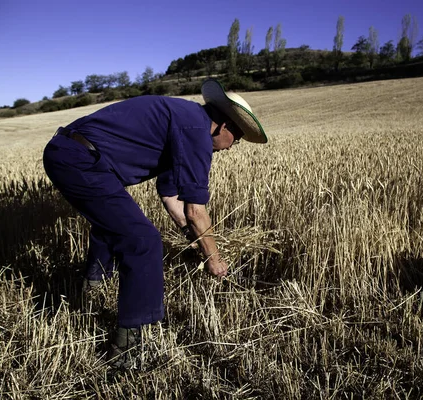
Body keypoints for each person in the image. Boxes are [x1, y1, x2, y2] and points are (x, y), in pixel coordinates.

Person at [42, 78, 267, 368]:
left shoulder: (187, 121)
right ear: (225, 127)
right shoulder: (196, 132)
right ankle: (127, 348)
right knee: (143, 240)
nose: (231, 148)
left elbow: (171, 196)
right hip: (78, 159)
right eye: (236, 140)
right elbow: (197, 210)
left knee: (114, 220)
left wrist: (192, 237)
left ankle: (93, 284)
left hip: (75, 154)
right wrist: (214, 259)